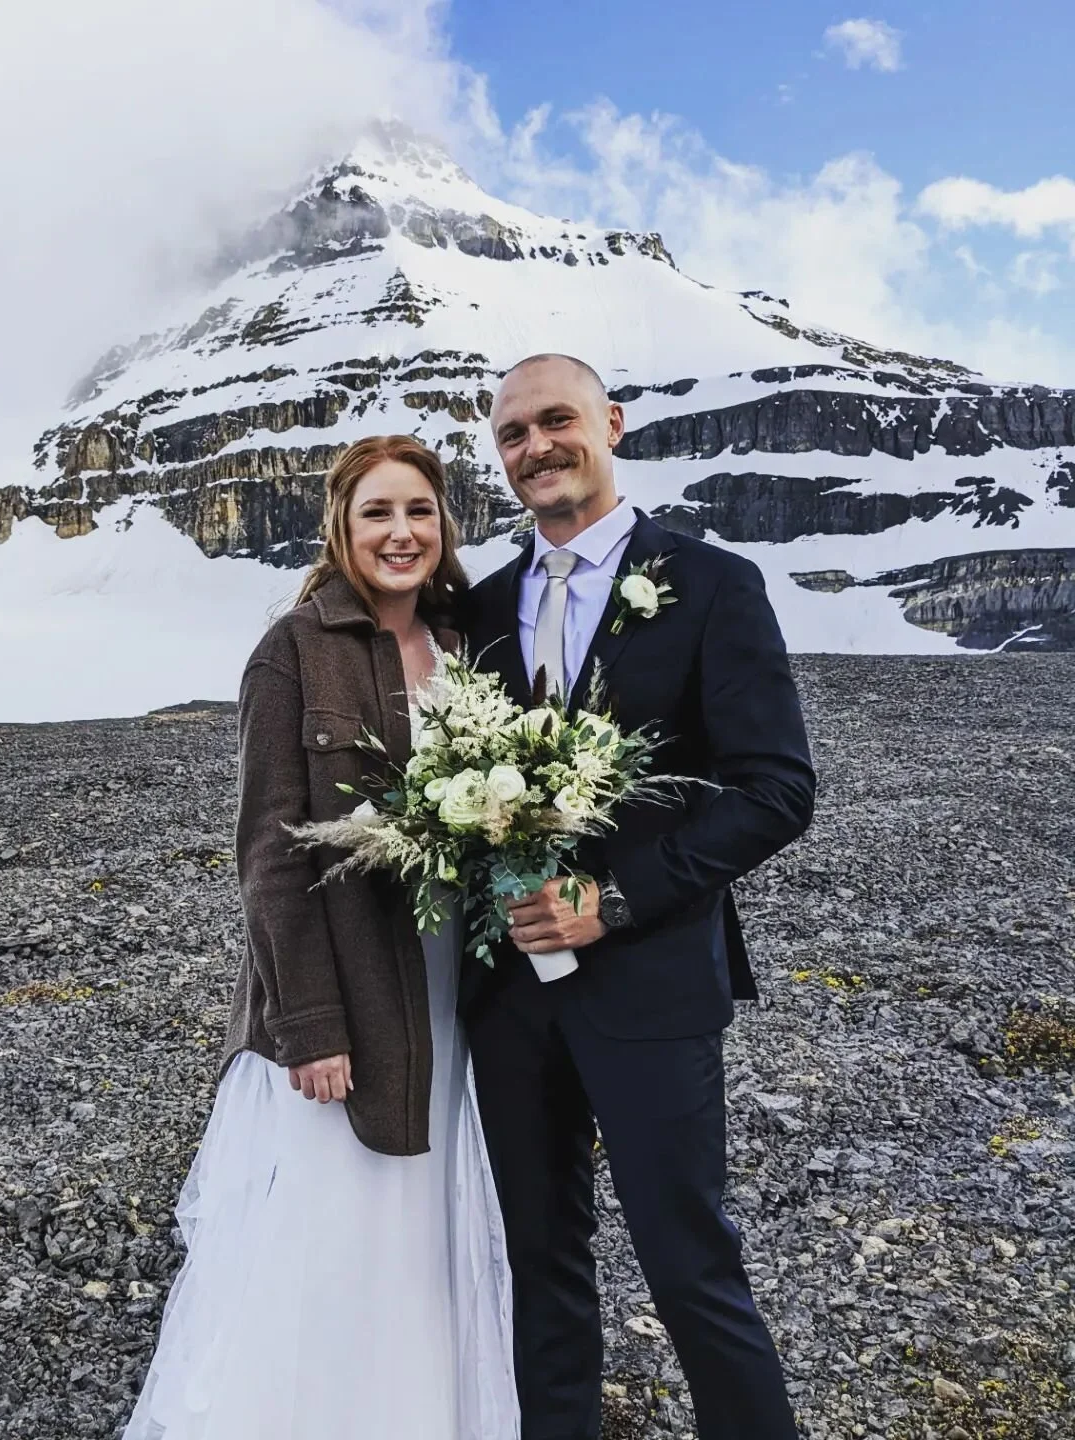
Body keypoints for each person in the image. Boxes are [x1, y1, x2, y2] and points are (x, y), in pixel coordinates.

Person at [121, 435, 520, 1440]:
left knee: (431, 1227)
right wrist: (309, 1025)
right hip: (345, 997)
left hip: (450, 991)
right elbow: (269, 856)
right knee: (336, 1232)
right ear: (340, 525)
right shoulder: (293, 650)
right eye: (377, 512)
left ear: (445, 525)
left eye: (420, 511)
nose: (401, 533)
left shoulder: (467, 645)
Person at [461, 353, 817, 1440]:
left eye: (555, 421)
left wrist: (610, 903)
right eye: (513, 435)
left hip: (655, 984)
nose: (536, 449)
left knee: (687, 1260)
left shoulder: (713, 584)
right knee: (540, 1262)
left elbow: (777, 792)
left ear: (609, 424)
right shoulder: (476, 609)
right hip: (510, 998)